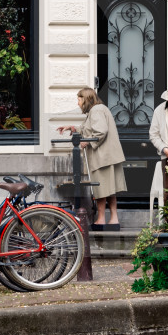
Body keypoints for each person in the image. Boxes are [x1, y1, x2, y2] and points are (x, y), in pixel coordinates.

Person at [57, 88, 126, 230]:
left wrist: (87, 142)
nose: (78, 104)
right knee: (110, 188)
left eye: (79, 100)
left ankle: (100, 220)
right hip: (109, 156)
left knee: (100, 188)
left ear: (86, 99)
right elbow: (88, 128)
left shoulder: (96, 111)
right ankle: (114, 219)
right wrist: (72, 128)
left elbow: (100, 131)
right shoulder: (98, 110)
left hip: (102, 157)